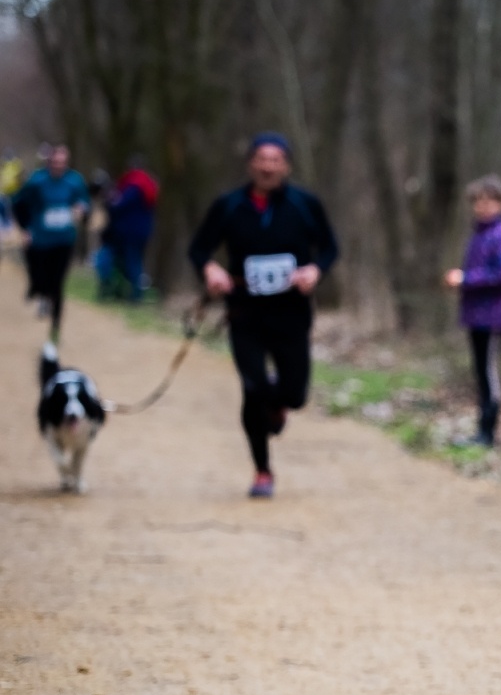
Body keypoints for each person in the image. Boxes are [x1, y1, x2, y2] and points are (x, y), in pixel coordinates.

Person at [187, 132, 338, 499]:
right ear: (251, 163)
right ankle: (262, 470)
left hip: (291, 314)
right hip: (245, 312)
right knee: (254, 389)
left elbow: (330, 248)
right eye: (262, 159)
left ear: (286, 165)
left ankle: (280, 405)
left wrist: (315, 272)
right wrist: (211, 271)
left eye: (276, 160)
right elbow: (199, 249)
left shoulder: (305, 205)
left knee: (296, 394)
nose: (268, 166)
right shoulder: (228, 205)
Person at [444, 175, 501, 446]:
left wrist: (466, 279)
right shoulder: (479, 235)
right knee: (480, 373)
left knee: (489, 372)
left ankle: (488, 433)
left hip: (494, 316)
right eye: (478, 201)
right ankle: (481, 431)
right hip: (476, 315)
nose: (482, 206)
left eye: (488, 201)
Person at [11, 144, 90, 342]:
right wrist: (25, 229)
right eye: (55, 162)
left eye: (62, 162)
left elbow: (85, 203)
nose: (58, 166)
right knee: (42, 278)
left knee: (58, 282)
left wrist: (82, 210)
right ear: (49, 162)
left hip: (64, 240)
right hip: (41, 240)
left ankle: (55, 327)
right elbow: (18, 204)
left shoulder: (74, 181)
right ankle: (42, 294)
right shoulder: (37, 182)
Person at [97, 157, 160, 302]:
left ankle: (135, 294)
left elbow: (119, 206)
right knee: (133, 261)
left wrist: (109, 202)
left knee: (131, 262)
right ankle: (128, 291)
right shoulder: (149, 185)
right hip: (143, 231)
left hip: (128, 232)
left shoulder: (134, 186)